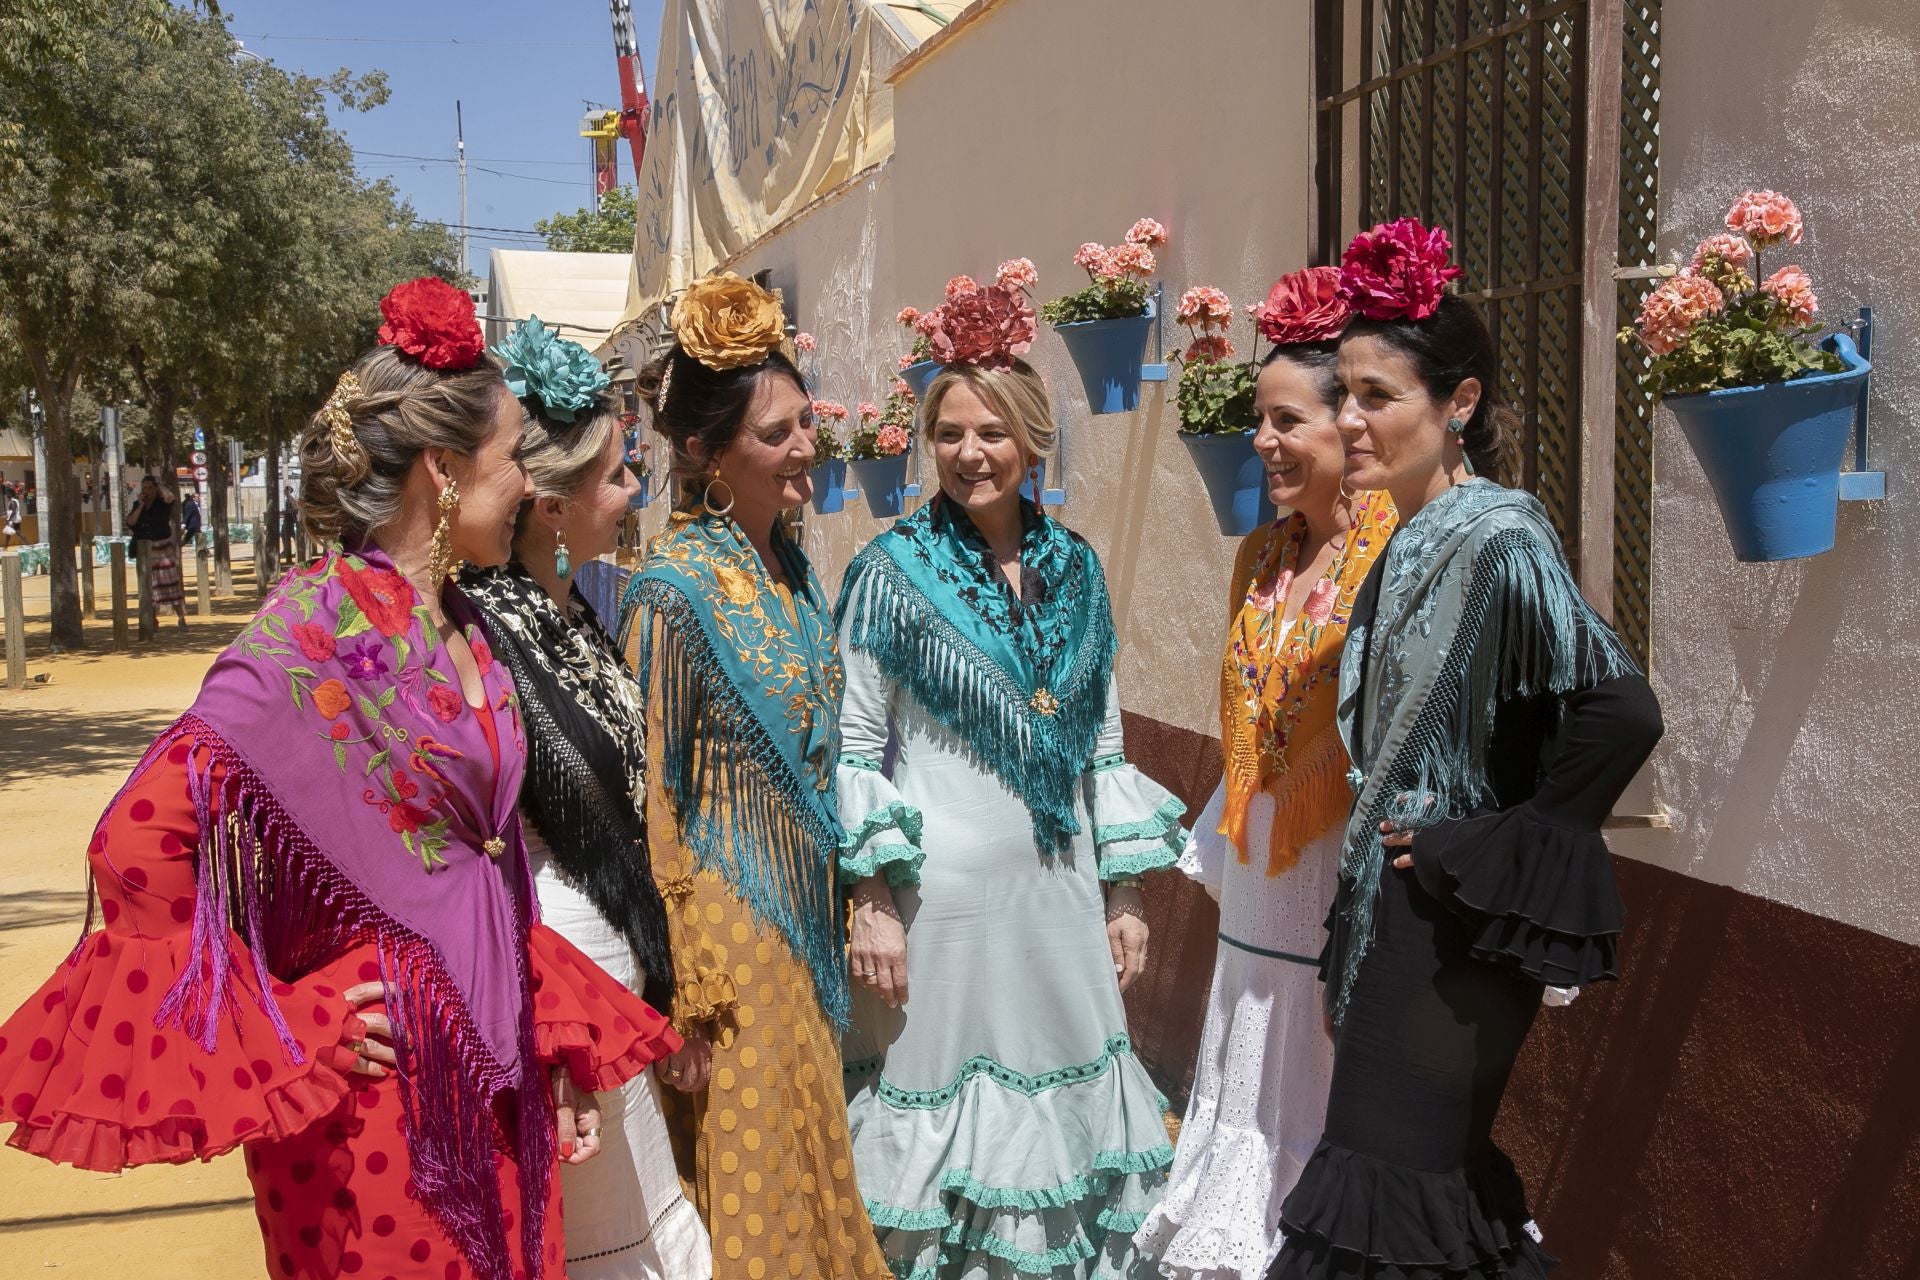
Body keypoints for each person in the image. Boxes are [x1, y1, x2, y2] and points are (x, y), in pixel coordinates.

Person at [0, 277, 679, 1280]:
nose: (530, 484)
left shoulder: (463, 618)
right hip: (371, 1117)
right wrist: (292, 1018)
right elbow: (139, 845)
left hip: (490, 1079)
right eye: (511, 460)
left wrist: (546, 1034)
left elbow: (475, 870)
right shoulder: (305, 637)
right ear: (443, 471)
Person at [1265, 220, 1664, 1280]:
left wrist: (1497, 845)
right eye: (1342, 392)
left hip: (1453, 922)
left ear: (1462, 406)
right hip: (1404, 912)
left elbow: (1621, 710)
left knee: (1389, 1200)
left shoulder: (1499, 533)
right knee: (1413, 1199)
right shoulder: (1404, 536)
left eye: (1378, 396)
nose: (1350, 419)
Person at [835, 278, 1185, 1280]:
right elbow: (856, 745)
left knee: (1071, 1147)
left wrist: (1123, 891)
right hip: (941, 914)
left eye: (991, 430)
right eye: (949, 432)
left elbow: (1104, 740)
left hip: (1060, 899)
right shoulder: (888, 571)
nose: (970, 451)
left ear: (1033, 442)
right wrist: (871, 899)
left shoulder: (1077, 568)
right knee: (945, 1168)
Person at [617, 273, 891, 1280]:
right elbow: (652, 802)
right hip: (726, 956)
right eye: (777, 434)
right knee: (753, 1187)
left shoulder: (791, 568)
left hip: (798, 930)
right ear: (705, 452)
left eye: (805, 424)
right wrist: (679, 992)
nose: (805, 447)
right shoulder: (672, 592)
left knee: (810, 1169)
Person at [1132, 270, 1395, 1280]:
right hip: (1259, 865)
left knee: (1319, 1075)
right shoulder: (1265, 555)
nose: (1265, 441)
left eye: (1287, 419)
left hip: (1332, 861)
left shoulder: (1395, 554)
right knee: (1247, 1063)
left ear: (1351, 425)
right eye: (1259, 419)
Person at [462, 318, 711, 1280]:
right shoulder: (485, 630)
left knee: (647, 1229)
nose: (635, 491)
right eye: (616, 475)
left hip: (607, 972)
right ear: (552, 506)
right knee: (623, 1248)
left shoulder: (568, 611)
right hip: (561, 980)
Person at [126, 474, 188, 628]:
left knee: (171, 584)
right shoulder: (137, 505)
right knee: (149, 585)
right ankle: (152, 620)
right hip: (145, 549)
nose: (147, 491)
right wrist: (140, 505)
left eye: (150, 488)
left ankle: (181, 618)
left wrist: (159, 487)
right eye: (145, 488)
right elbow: (131, 522)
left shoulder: (162, 503)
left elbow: (170, 497)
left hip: (163, 548)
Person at [282, 485, 301, 559]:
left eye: (285, 490)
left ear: (288, 491)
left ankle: (291, 550)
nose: (284, 491)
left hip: (289, 520)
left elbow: (294, 508)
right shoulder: (289, 499)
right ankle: (286, 550)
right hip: (288, 519)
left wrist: (286, 512)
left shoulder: (290, 499)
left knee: (291, 535)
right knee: (284, 534)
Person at [2, 483, 21, 548]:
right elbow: (8, 511)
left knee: (19, 533)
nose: (6, 495)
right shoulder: (12, 501)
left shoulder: (13, 501)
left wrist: (9, 519)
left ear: (11, 494)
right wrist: (1, 514)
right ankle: (5, 547)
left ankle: (30, 546)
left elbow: (13, 511)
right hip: (15, 519)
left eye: (7, 494)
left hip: (14, 519)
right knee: (8, 532)